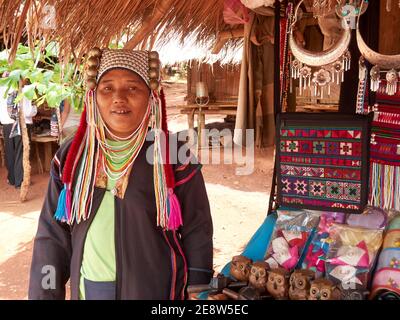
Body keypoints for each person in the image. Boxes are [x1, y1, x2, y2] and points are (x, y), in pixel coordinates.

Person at [28, 49, 214, 300]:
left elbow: (197, 226)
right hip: (90, 291)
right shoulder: (73, 156)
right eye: (107, 88)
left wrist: (198, 284)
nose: (119, 98)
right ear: (93, 97)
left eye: (133, 88)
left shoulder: (173, 155)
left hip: (154, 290)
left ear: (151, 97)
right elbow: (52, 236)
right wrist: (45, 292)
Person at [0, 74, 37, 188]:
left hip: (7, 123)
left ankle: (11, 179)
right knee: (21, 152)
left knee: (10, 151)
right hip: (22, 124)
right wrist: (35, 109)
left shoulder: (1, 89)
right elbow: (29, 111)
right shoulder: (26, 90)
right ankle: (19, 181)